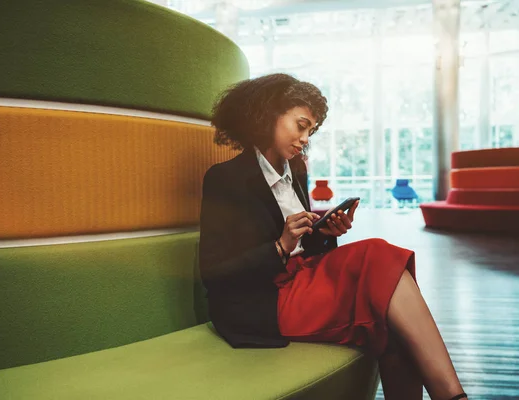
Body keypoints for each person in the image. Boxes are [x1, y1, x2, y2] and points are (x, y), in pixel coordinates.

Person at [198, 73, 468, 400]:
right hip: (263, 299)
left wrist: (324, 233)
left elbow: (305, 246)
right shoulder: (225, 178)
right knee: (378, 253)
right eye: (300, 125)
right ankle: (453, 396)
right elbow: (214, 274)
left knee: (395, 327)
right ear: (268, 114)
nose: (304, 138)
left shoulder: (296, 170)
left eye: (310, 131)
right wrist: (280, 247)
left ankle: (452, 396)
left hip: (303, 280)